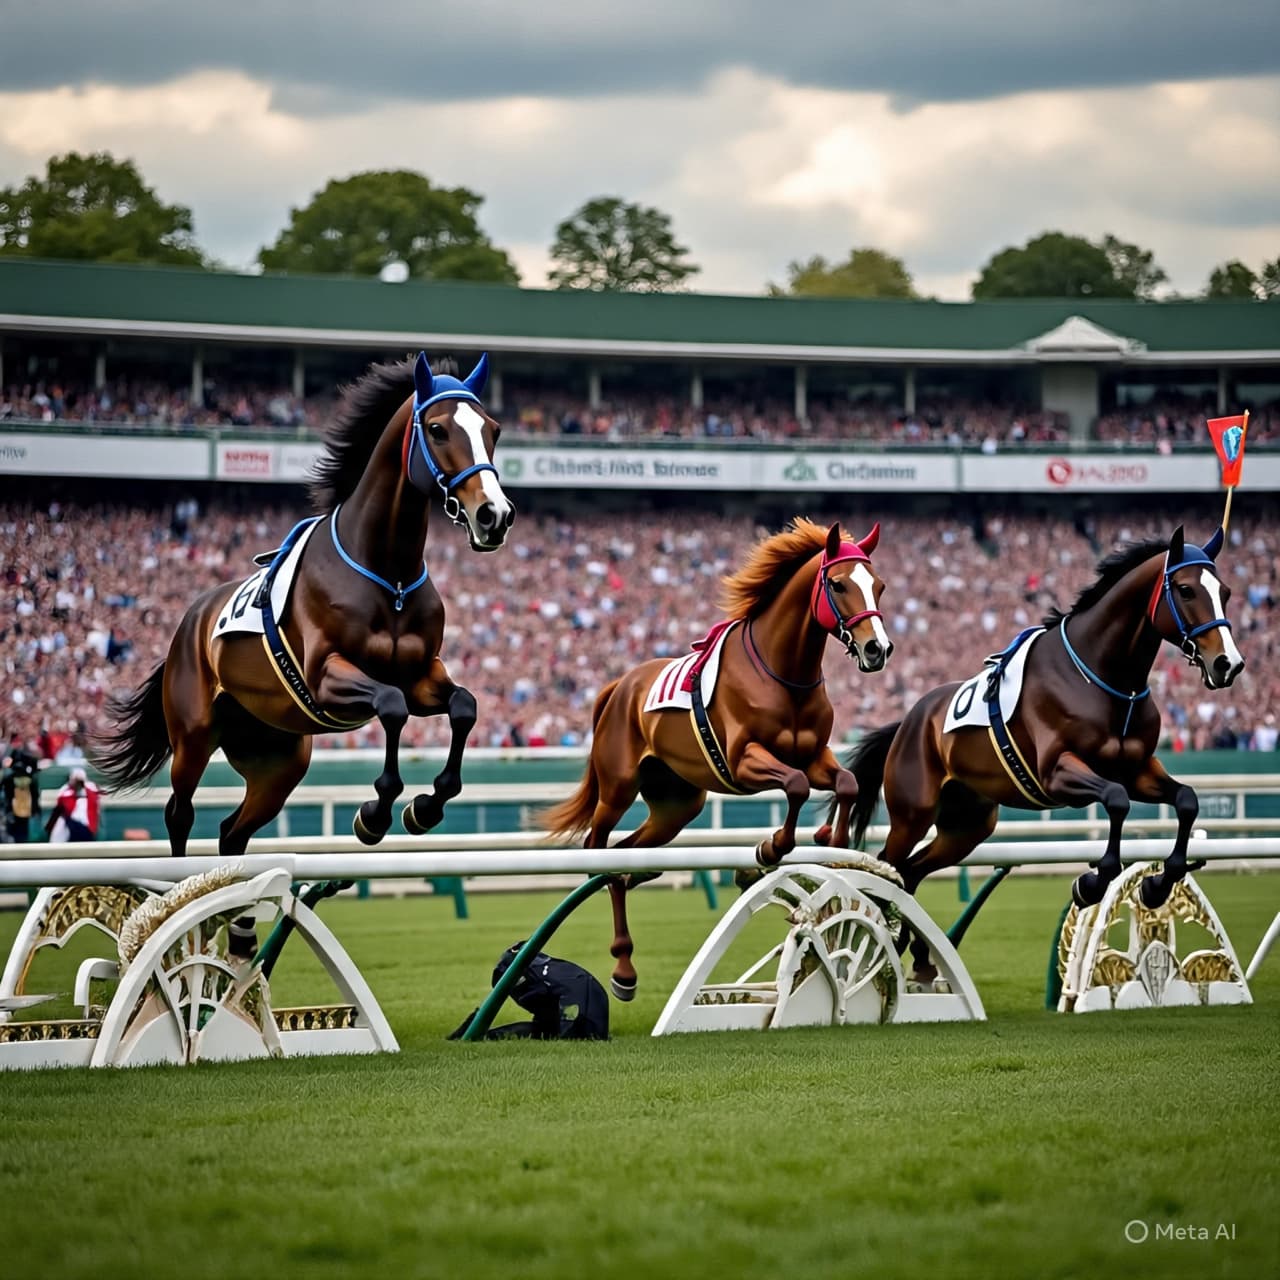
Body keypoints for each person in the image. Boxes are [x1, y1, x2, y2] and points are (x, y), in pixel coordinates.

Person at [45, 766, 101, 844]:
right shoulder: (66, 790)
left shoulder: (90, 789)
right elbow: (64, 806)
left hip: (87, 828)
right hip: (72, 826)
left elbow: (95, 799)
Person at [2, 744, 41, 843]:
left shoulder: (32, 779)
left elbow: (35, 796)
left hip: (27, 810)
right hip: (14, 810)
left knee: (24, 834)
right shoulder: (9, 779)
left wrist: (35, 810)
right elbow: (7, 795)